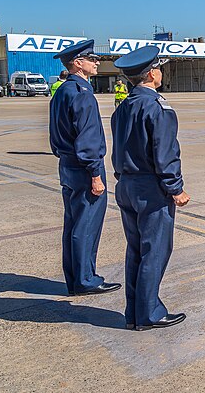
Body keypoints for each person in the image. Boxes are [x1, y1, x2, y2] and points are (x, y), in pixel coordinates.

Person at [111, 46, 190, 331]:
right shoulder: (158, 108)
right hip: (151, 189)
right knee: (154, 250)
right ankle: (149, 314)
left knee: (135, 250)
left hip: (126, 184)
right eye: (159, 68)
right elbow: (165, 153)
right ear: (152, 73)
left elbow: (118, 150)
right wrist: (175, 188)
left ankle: (133, 312)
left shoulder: (123, 108)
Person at [49, 39, 120, 297]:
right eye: (92, 59)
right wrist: (94, 174)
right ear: (78, 64)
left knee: (73, 223)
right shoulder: (82, 93)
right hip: (84, 168)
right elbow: (87, 138)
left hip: (67, 165)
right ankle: (86, 279)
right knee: (86, 225)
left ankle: (75, 278)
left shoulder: (62, 91)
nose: (97, 62)